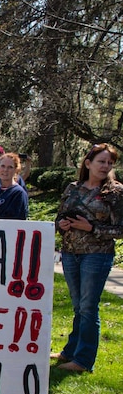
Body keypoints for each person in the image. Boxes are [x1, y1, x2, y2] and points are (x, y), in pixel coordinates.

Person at [52, 143, 123, 373]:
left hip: (97, 254)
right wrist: (62, 225)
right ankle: (70, 351)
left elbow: (120, 229)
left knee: (88, 307)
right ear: (88, 163)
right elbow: (59, 216)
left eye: (110, 163)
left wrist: (91, 228)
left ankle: (83, 360)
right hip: (70, 253)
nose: (106, 166)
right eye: (101, 161)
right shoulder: (73, 188)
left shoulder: (115, 192)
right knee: (77, 306)